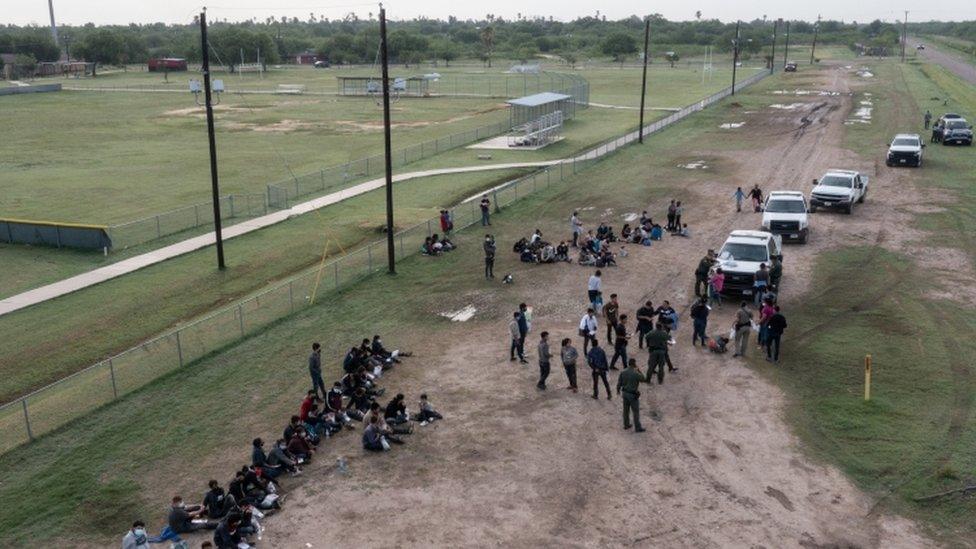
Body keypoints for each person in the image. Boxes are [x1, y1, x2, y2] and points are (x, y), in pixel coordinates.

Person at [617, 359, 648, 432]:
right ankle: (638, 427)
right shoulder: (635, 373)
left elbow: (619, 383)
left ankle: (626, 424)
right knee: (635, 411)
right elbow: (643, 379)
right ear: (634, 364)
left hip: (624, 393)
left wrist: (618, 390)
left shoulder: (623, 372)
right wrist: (639, 370)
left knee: (626, 410)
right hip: (632, 394)